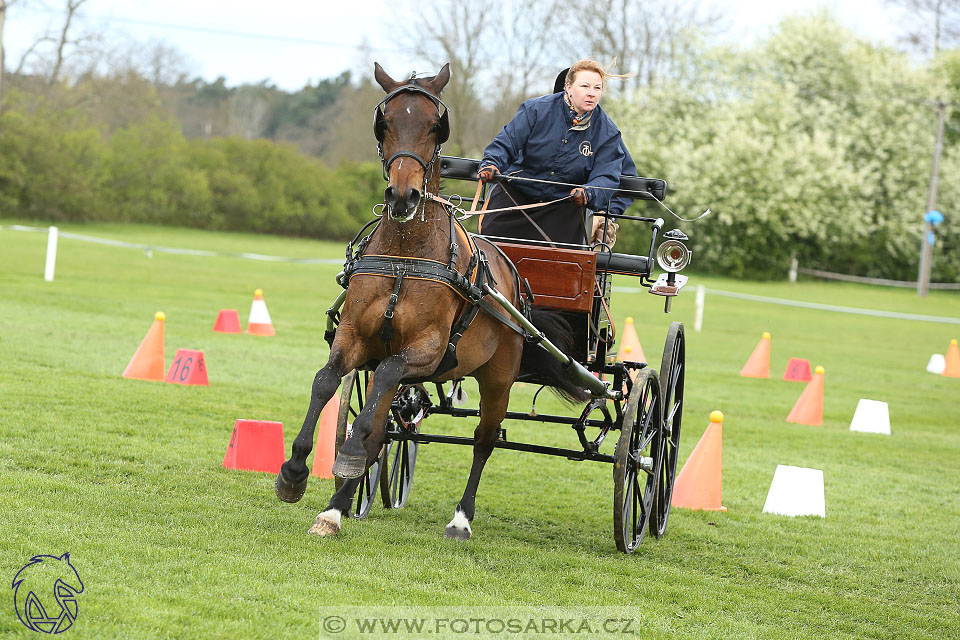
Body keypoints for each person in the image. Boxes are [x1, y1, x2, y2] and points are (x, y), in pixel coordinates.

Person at [477, 59, 628, 246]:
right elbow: (506, 142)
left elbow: (607, 176)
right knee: (486, 249)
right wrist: (491, 163)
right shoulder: (534, 110)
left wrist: (588, 192)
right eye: (585, 86)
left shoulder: (608, 133)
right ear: (569, 87)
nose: (591, 93)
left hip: (565, 208)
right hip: (515, 198)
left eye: (597, 88)